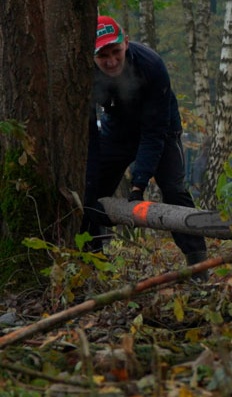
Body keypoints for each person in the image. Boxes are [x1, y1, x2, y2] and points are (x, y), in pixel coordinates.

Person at [81, 15, 208, 272]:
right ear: (92, 56)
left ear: (126, 43)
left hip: (161, 128)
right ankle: (91, 256)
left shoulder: (151, 65)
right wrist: (92, 175)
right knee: (90, 191)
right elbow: (89, 134)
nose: (112, 61)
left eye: (116, 51)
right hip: (116, 131)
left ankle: (198, 262)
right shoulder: (84, 73)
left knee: (173, 190)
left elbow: (154, 132)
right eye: (103, 55)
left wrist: (139, 183)